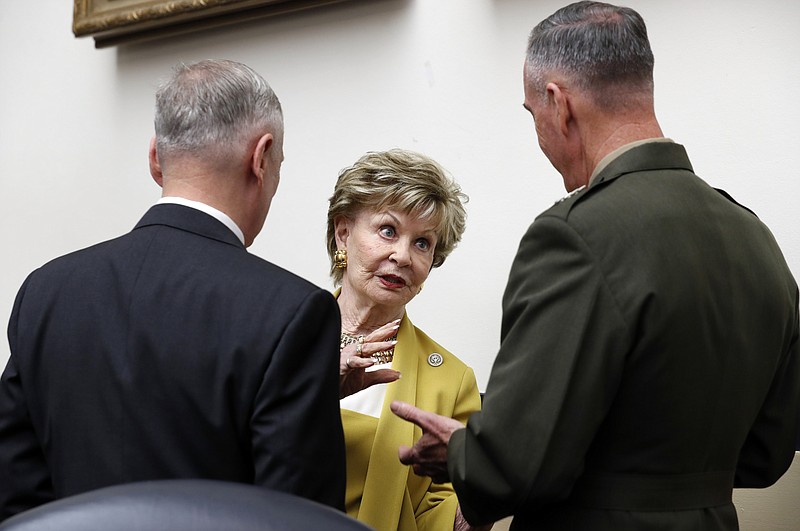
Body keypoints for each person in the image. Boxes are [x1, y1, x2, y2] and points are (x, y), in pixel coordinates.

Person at [391, 2, 800, 530]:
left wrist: (462, 453)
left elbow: (517, 468)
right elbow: (768, 453)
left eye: (532, 112)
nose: (539, 132)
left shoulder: (573, 235)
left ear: (558, 104)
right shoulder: (756, 239)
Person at [0, 59, 346, 520]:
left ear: (155, 158)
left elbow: (15, 499)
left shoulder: (45, 292)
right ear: (261, 158)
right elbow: (299, 521)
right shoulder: (293, 312)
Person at [329, 149, 489, 531]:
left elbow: (445, 510)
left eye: (422, 243)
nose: (402, 256)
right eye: (388, 230)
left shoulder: (452, 380)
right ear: (344, 233)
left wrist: (487, 493)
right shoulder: (276, 338)